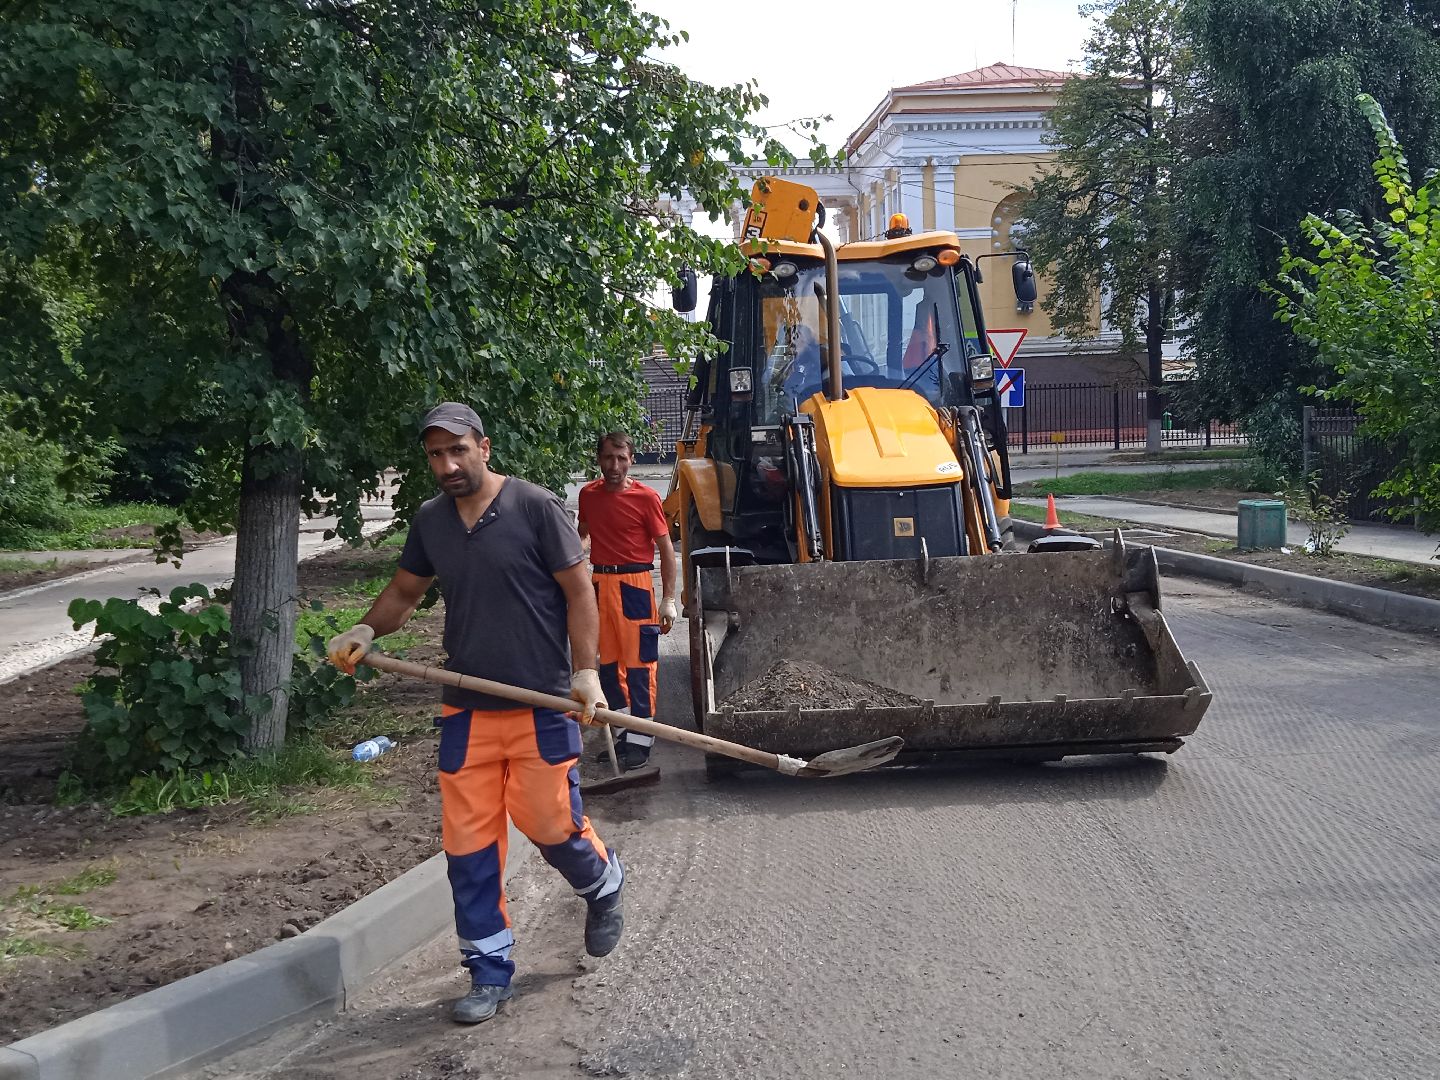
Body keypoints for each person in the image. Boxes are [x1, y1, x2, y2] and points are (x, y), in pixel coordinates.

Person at [327, 402, 624, 1026]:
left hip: (541, 700)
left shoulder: (534, 508)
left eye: (458, 450)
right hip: (466, 708)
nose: (448, 464)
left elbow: (579, 592)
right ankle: (489, 971)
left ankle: (602, 884)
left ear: (484, 447)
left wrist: (586, 673)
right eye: (436, 455)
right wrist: (365, 627)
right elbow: (406, 592)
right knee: (468, 846)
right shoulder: (432, 521)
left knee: (548, 824)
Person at [576, 432, 678, 770]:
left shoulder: (646, 498)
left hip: (635, 585)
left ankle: (642, 741)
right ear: (599, 459)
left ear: (632, 459)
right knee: (605, 667)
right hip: (598, 586)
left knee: (639, 666)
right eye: (608, 458)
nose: (614, 466)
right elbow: (583, 535)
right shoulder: (588, 495)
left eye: (621, 458)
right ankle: (622, 734)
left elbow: (666, 550)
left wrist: (668, 600)